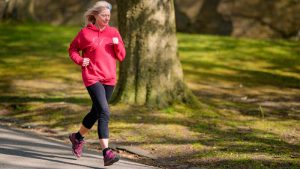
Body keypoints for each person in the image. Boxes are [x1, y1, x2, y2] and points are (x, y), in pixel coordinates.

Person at [68, 1, 125, 166]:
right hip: (92, 76)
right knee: (104, 111)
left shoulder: (113, 32)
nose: (107, 18)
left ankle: (77, 137)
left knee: (96, 110)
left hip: (109, 78)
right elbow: (72, 49)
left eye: (109, 15)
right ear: (95, 16)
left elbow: (121, 56)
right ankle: (107, 152)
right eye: (104, 15)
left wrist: (117, 44)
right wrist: (80, 60)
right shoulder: (85, 33)